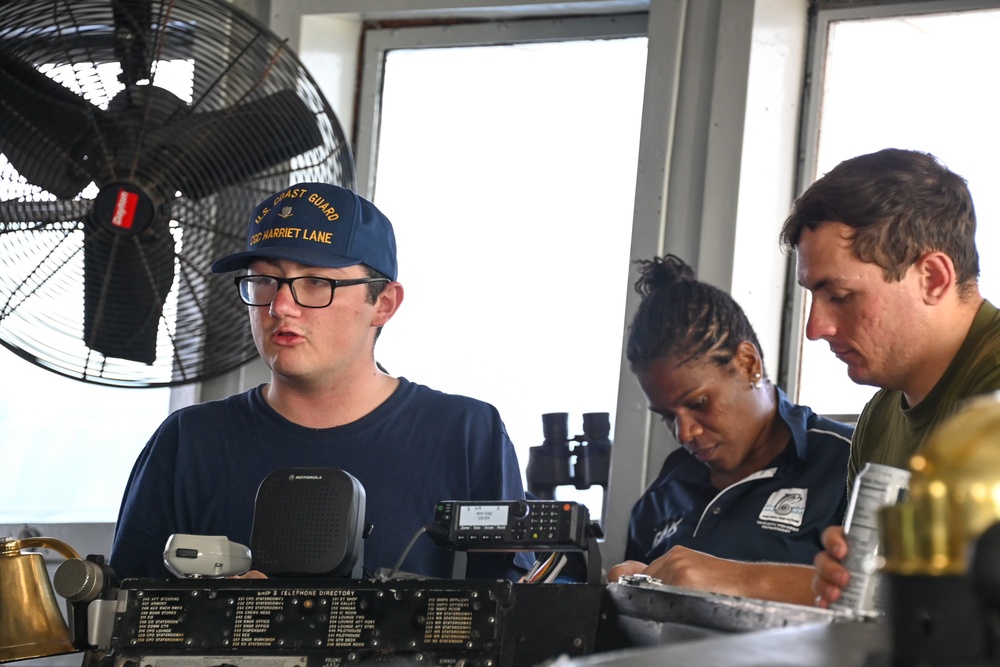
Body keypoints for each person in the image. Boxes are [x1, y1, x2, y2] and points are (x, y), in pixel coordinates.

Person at [108, 182, 533, 581]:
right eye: (263, 280)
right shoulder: (188, 441)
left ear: (383, 304)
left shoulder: (465, 432)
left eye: (315, 282)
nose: (281, 305)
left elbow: (511, 614)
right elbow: (123, 618)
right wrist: (216, 617)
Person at [779, 148, 1000, 607]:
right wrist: (839, 584)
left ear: (933, 278)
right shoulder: (877, 421)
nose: (815, 328)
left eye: (840, 295)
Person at [608, 255, 853, 587]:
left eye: (699, 403)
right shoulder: (661, 497)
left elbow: (880, 606)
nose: (684, 432)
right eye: (667, 416)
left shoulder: (847, 465)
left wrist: (737, 579)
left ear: (748, 364)